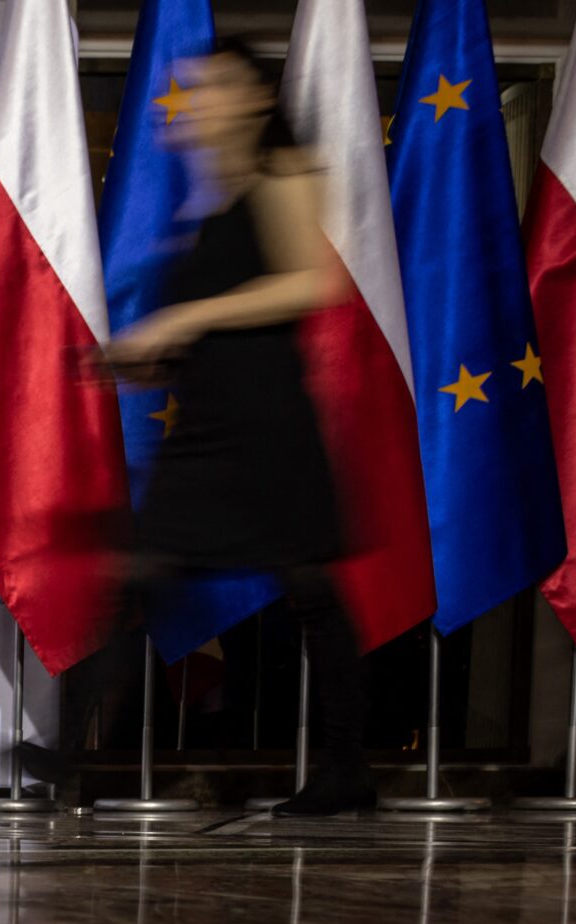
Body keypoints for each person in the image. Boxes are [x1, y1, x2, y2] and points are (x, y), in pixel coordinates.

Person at [101, 37, 374, 817]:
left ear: (256, 98)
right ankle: (70, 753)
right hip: (211, 424)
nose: (191, 102)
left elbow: (309, 283)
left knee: (312, 593)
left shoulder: (288, 171)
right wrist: (148, 361)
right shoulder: (210, 204)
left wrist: (184, 314)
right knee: (142, 570)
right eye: (189, 90)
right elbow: (222, 328)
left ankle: (347, 769)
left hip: (269, 424)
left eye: (211, 87)